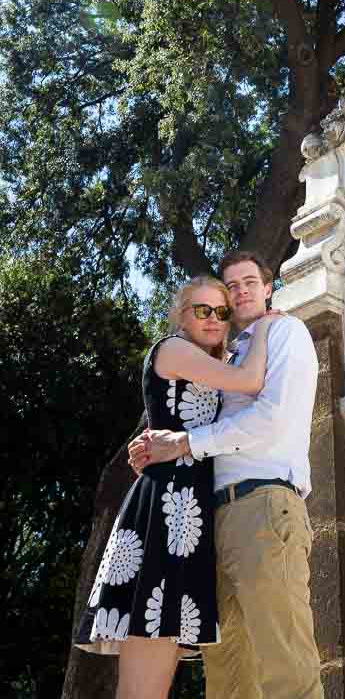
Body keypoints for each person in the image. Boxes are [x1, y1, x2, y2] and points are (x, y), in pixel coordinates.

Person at [129, 250, 323, 699]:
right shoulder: (227, 355)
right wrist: (151, 446)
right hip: (210, 521)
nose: (240, 292)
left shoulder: (286, 332)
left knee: (285, 665)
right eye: (231, 286)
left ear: (268, 287)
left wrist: (182, 444)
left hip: (263, 508)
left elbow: (269, 419)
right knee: (227, 677)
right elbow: (186, 411)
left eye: (250, 282)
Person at [75, 275, 278, 699]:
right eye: (201, 310)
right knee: (143, 687)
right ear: (180, 316)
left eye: (222, 313)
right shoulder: (173, 349)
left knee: (156, 680)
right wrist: (264, 327)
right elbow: (250, 381)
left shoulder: (205, 363)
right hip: (166, 511)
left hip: (187, 517)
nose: (213, 320)